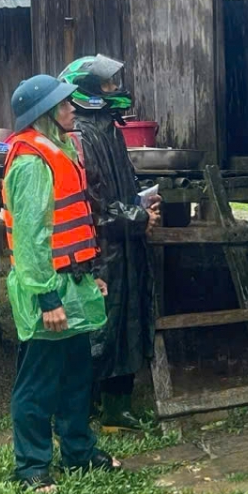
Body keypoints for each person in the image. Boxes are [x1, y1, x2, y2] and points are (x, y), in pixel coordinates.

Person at [2, 74, 121, 493]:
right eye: (65, 103)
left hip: (74, 282)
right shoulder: (31, 163)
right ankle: (31, 466)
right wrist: (48, 297)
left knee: (75, 375)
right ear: (46, 113)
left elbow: (74, 226)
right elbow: (33, 241)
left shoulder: (63, 151)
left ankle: (78, 451)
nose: (73, 108)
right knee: (38, 379)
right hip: (47, 289)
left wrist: (90, 278)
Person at [60, 55, 160, 432]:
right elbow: (92, 202)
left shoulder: (110, 128)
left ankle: (117, 410)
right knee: (96, 330)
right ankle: (79, 413)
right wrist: (136, 217)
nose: (114, 90)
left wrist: (143, 204)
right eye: (106, 85)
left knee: (129, 324)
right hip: (99, 249)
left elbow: (123, 186)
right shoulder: (82, 135)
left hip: (126, 244)